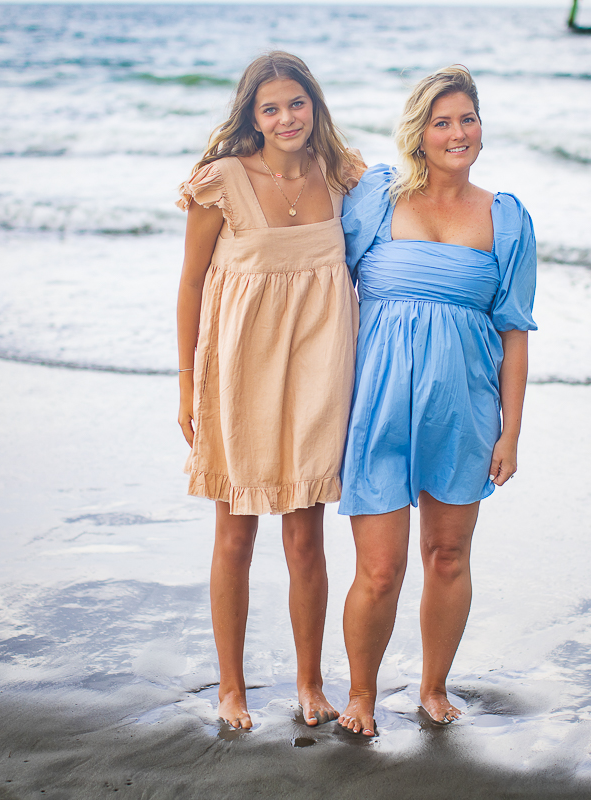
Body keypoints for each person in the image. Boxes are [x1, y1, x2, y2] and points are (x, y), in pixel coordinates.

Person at [336, 65, 536, 737]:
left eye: (468, 119)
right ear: (418, 133)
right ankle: (360, 695)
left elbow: (515, 330)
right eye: (442, 121)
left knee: (448, 557)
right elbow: (315, 275)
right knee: (381, 566)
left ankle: (432, 686)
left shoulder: (505, 217)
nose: (458, 133)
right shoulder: (374, 199)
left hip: (464, 410)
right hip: (379, 405)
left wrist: (510, 433)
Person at [175, 51, 364, 731]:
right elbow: (192, 283)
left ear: (314, 106)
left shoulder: (343, 175)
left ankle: (310, 685)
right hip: (240, 375)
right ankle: (231, 688)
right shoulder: (221, 182)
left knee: (306, 537)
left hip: (320, 373)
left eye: (297, 103)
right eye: (270, 107)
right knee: (234, 536)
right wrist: (186, 384)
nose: (286, 118)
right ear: (252, 117)